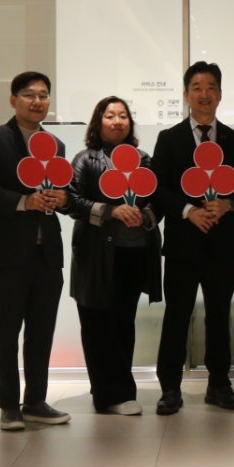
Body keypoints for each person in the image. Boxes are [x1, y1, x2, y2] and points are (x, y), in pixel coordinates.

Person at [151, 62, 234, 414]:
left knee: (219, 316)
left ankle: (220, 384)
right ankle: (169, 388)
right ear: (186, 95)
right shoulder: (169, 138)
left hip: (222, 245)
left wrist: (228, 204)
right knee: (177, 315)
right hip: (183, 244)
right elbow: (158, 187)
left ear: (220, 94)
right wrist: (188, 211)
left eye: (211, 87)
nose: (204, 94)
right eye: (197, 87)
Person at [0, 71, 71, 430]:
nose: (37, 101)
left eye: (43, 95)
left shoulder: (56, 144)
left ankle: (36, 401)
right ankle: (9, 406)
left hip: (48, 253)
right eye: (29, 94)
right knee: (7, 331)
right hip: (8, 253)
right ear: (14, 100)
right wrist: (21, 202)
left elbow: (63, 190)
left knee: (42, 332)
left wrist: (61, 198)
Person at [67, 97, 163, 415]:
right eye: (110, 116)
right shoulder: (85, 159)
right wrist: (110, 211)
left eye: (123, 115)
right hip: (96, 256)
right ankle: (112, 395)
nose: (117, 121)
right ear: (99, 121)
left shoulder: (144, 159)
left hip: (134, 253)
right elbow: (72, 201)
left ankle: (114, 389)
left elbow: (159, 200)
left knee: (123, 324)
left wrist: (145, 216)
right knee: (97, 324)